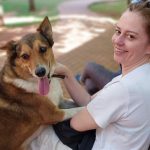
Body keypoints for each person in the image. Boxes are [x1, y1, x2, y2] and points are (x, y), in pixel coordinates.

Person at [29, 0, 150, 149]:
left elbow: (76, 124)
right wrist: (66, 73)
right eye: (118, 31)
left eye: (131, 36)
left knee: (35, 134)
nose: (118, 41)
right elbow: (89, 102)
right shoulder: (142, 73)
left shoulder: (124, 89)